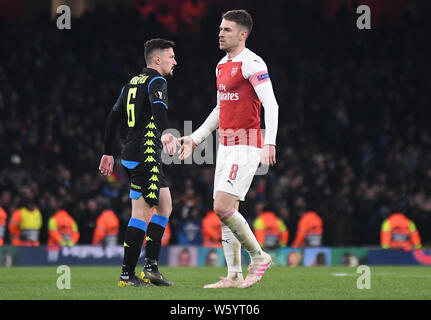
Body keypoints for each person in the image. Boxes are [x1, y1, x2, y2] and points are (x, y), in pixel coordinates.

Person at [178, 9, 279, 288]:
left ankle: (258, 257)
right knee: (227, 212)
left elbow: (271, 104)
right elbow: (221, 107)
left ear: (242, 34)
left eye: (227, 30)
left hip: (246, 144)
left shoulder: (253, 63)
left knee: (221, 206)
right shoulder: (221, 65)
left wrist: (269, 141)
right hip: (225, 145)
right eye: (220, 29)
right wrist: (196, 138)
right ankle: (234, 275)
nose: (220, 33)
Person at [99, 38, 179, 287]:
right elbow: (158, 109)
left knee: (165, 206)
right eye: (171, 56)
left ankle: (151, 268)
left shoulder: (131, 83)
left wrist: (107, 152)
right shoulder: (157, 81)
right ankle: (127, 275)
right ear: (157, 59)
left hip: (133, 154)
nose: (175, 61)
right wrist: (166, 132)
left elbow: (113, 117)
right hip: (146, 155)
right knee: (142, 214)